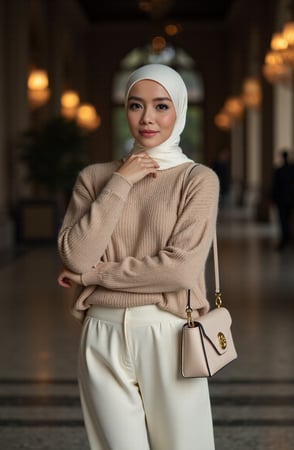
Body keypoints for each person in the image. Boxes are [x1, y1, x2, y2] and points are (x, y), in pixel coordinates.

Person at [57, 63, 219, 450]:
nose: (147, 118)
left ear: (179, 109)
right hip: (100, 333)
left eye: (161, 106)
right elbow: (75, 256)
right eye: (135, 105)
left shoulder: (197, 179)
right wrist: (121, 181)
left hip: (169, 332)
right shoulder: (94, 178)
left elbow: (179, 271)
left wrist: (95, 276)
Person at [272, 149, 294, 250]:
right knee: (287, 220)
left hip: (281, 199)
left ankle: (285, 239)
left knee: (283, 220)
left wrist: (273, 199)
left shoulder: (279, 170)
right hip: (290, 199)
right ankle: (286, 239)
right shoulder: (293, 169)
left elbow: (274, 186)